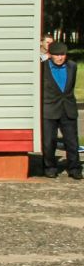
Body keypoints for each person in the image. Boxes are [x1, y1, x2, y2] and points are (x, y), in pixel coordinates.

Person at [39, 38, 79, 179]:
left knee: (72, 141)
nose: (60, 57)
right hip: (49, 109)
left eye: (62, 54)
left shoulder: (72, 66)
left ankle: (74, 168)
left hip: (68, 108)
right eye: (57, 54)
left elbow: (70, 86)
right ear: (51, 55)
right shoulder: (42, 66)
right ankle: (50, 167)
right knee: (49, 141)